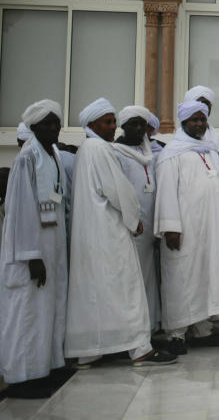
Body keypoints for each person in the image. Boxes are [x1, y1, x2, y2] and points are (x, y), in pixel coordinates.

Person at [66, 99, 172, 368]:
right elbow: (118, 190)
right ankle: (140, 349)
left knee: (96, 292)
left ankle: (91, 350)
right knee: (126, 288)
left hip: (91, 236)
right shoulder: (100, 149)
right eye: (108, 122)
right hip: (109, 233)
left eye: (113, 121)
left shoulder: (86, 149)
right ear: (92, 125)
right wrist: (134, 219)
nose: (113, 127)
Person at [0, 101, 69, 397]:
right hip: (31, 252)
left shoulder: (52, 154)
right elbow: (19, 211)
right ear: (34, 127)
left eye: (56, 123)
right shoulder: (27, 158)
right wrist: (31, 257)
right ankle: (22, 378)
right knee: (27, 312)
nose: (53, 128)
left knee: (48, 310)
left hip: (51, 245)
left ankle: (46, 368)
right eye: (47, 124)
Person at [155, 101, 219, 355]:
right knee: (182, 278)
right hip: (184, 229)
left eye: (203, 120)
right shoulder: (172, 154)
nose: (200, 124)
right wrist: (170, 228)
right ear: (184, 122)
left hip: (211, 229)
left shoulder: (210, 150)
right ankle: (177, 334)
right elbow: (166, 193)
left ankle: (202, 331)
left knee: (205, 278)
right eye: (194, 120)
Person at [112, 106, 161, 333]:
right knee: (130, 281)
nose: (140, 128)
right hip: (129, 230)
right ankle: (131, 332)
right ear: (122, 126)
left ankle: (149, 329)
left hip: (150, 230)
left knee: (149, 281)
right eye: (134, 124)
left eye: (143, 124)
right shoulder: (115, 153)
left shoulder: (147, 152)